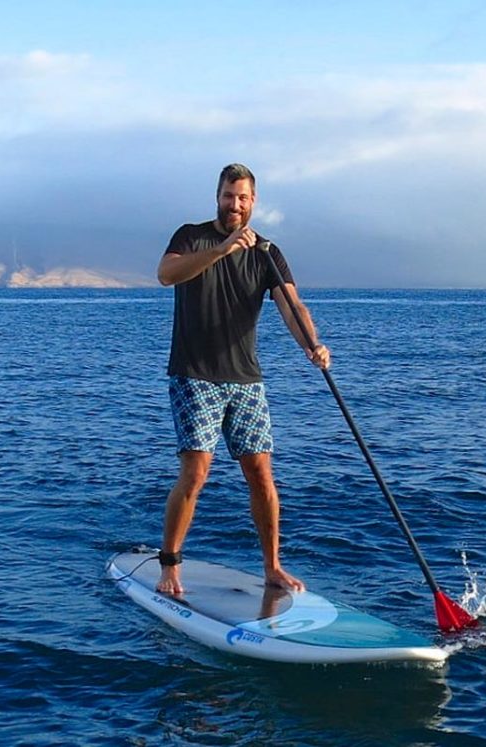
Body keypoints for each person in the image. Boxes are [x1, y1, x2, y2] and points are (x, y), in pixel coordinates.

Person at [155, 163, 331, 596]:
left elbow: (292, 306)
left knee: (260, 474)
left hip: (245, 379)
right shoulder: (191, 236)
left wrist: (311, 343)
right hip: (194, 373)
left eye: (243, 198)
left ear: (254, 202)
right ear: (217, 196)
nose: (235, 204)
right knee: (196, 472)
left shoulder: (268, 251)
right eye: (228, 196)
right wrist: (223, 248)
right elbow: (166, 275)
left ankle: (272, 567)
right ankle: (170, 565)